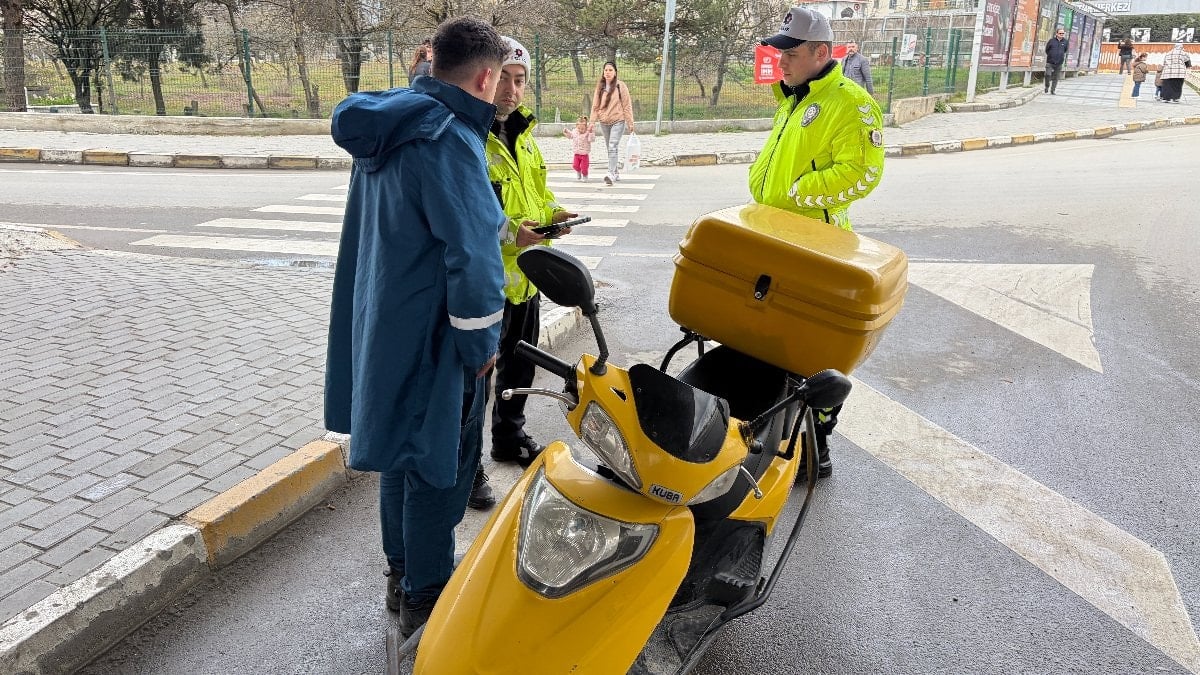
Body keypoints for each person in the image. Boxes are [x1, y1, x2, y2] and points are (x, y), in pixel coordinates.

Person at [325, 16, 509, 637]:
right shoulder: (450, 138)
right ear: (485, 76)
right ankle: (427, 597)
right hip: (435, 335)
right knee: (440, 462)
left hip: (384, 323)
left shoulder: (390, 125)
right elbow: (473, 256)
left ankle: (401, 574)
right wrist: (482, 344)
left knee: (402, 455)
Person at [749, 6, 885, 479]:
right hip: (776, 236)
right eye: (778, 51)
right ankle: (770, 430)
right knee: (769, 340)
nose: (779, 60)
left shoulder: (851, 102)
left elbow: (863, 174)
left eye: (790, 52)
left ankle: (817, 444)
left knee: (814, 351)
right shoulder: (796, 97)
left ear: (822, 52)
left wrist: (796, 194)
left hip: (817, 243)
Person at [467, 35, 577, 510]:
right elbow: (470, 219)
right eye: (504, 79)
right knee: (474, 386)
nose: (511, 91)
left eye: (520, 81)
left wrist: (556, 215)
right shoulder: (472, 138)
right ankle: (466, 468)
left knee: (519, 366)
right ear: (486, 80)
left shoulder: (524, 137)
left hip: (526, 279)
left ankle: (508, 440)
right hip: (488, 285)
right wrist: (515, 233)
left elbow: (537, 197)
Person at [590, 61, 635, 186]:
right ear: (603, 72)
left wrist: (630, 122)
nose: (608, 72)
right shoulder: (600, 87)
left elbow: (627, 105)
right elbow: (595, 105)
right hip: (604, 121)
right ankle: (615, 171)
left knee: (613, 146)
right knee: (609, 148)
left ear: (615, 72)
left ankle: (611, 173)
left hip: (618, 120)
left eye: (610, 70)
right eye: (606, 70)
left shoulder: (621, 86)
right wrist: (592, 122)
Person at [564, 115, 595, 182]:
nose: (581, 130)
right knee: (575, 166)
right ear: (576, 127)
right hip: (577, 153)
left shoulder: (587, 132)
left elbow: (591, 140)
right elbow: (571, 136)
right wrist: (567, 132)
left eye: (582, 129)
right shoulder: (575, 131)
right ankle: (578, 171)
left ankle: (585, 175)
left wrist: (591, 132)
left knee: (584, 167)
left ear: (586, 127)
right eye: (579, 128)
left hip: (584, 154)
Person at [1044, 27, 1069, 94]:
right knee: (1048, 74)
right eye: (1060, 33)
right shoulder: (1051, 41)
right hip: (1050, 62)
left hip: (1059, 63)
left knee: (1056, 77)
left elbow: (1065, 50)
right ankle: (1047, 86)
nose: (1062, 34)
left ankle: (1053, 90)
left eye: (1063, 33)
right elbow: (1047, 50)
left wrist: (1060, 57)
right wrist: (1051, 55)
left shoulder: (1065, 42)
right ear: (1057, 34)